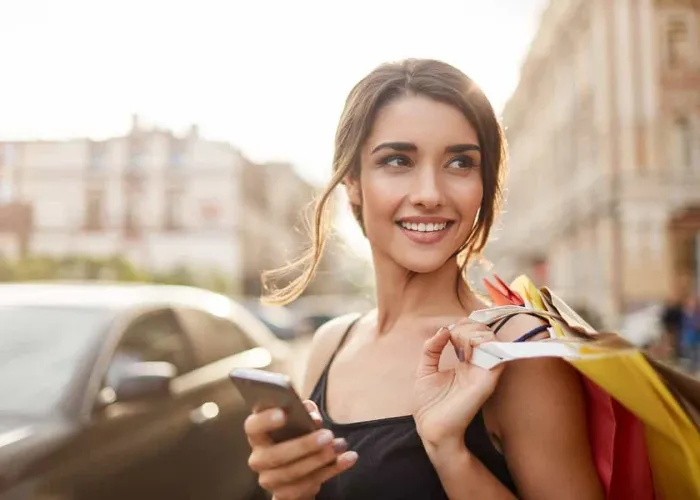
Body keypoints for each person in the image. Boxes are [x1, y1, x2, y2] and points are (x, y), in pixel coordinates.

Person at [244, 59, 604, 500]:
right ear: (353, 181)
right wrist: (290, 490)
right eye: (398, 160)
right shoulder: (330, 343)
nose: (431, 194)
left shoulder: (519, 352)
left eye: (459, 163)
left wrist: (450, 452)